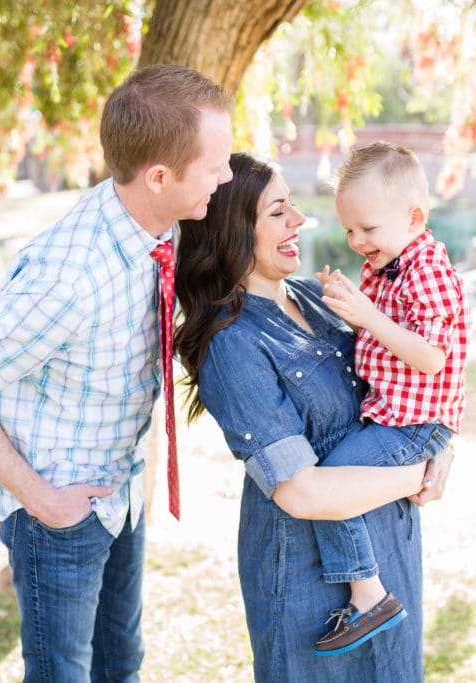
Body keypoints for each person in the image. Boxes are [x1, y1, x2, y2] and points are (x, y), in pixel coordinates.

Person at [0, 64, 233, 682]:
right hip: (57, 517)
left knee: (122, 666)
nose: (224, 177)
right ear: (160, 176)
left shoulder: (155, 219)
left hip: (120, 497)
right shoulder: (69, 279)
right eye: (215, 165)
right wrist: (42, 500)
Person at [174, 152, 454, 681]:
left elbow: (404, 382)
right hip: (310, 578)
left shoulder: (316, 297)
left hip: (389, 548)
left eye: (294, 207)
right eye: (278, 212)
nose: (300, 221)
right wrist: (418, 473)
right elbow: (299, 492)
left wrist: (440, 447)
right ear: (236, 231)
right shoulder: (232, 342)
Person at [306, 141, 470, 655]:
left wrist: (368, 317)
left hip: (417, 425)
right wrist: (340, 305)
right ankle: (366, 589)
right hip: (393, 416)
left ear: (415, 216)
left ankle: (368, 594)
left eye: (367, 229)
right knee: (333, 478)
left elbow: (431, 357)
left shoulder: (428, 270)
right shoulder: (386, 261)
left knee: (329, 484)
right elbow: (373, 338)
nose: (356, 241)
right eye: (348, 229)